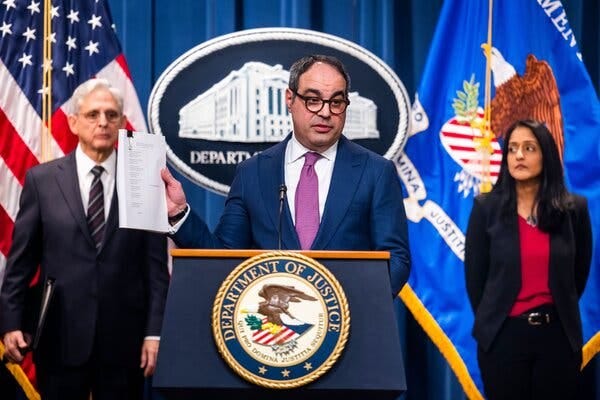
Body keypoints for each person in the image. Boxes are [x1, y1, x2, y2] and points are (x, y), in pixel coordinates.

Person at [161, 54, 411, 295]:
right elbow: (223, 258)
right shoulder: (253, 173)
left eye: (336, 102)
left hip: (348, 328)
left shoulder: (376, 172)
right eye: (313, 99)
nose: (325, 112)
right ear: (289, 99)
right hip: (270, 329)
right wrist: (179, 214)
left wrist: (344, 310)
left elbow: (395, 260)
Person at [0, 78, 170, 400]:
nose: (103, 122)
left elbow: (156, 269)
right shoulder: (43, 181)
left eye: (111, 114)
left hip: (125, 341)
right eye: (93, 114)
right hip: (59, 339)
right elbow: (20, 263)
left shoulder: (144, 178)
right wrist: (9, 323)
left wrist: (154, 333)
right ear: (74, 122)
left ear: (121, 122)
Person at [464, 119, 592, 399]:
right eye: (512, 149)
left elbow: (577, 276)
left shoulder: (574, 210)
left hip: (558, 337)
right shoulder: (486, 208)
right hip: (503, 337)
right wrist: (497, 323)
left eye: (529, 148)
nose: (519, 155)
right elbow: (476, 281)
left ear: (546, 154)